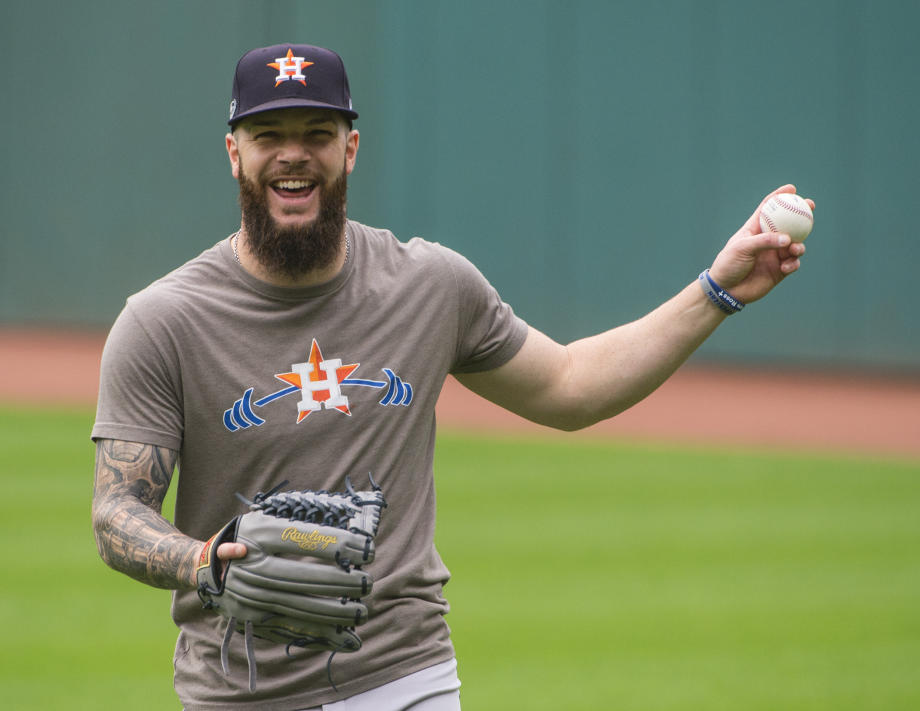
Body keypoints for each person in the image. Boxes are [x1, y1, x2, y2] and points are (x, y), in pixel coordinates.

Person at [91, 43, 810, 711]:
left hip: (406, 677)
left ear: (351, 147)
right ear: (233, 152)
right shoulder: (164, 321)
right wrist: (205, 561)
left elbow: (570, 386)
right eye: (268, 134)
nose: (293, 156)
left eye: (316, 132)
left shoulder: (430, 285)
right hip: (237, 690)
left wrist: (716, 289)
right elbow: (116, 513)